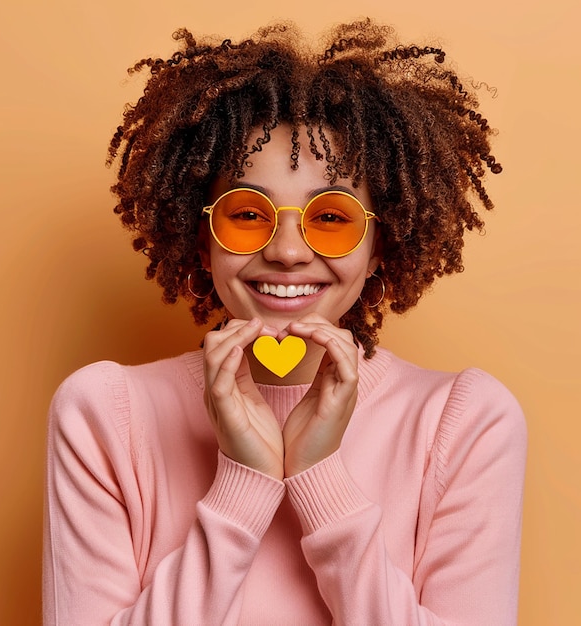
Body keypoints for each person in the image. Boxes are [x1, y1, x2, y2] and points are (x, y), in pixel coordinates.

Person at [43, 19, 527, 625]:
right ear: (201, 238)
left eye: (331, 218)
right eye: (248, 213)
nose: (288, 252)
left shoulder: (467, 423)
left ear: (381, 243)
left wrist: (320, 478)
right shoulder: (102, 417)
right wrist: (243, 485)